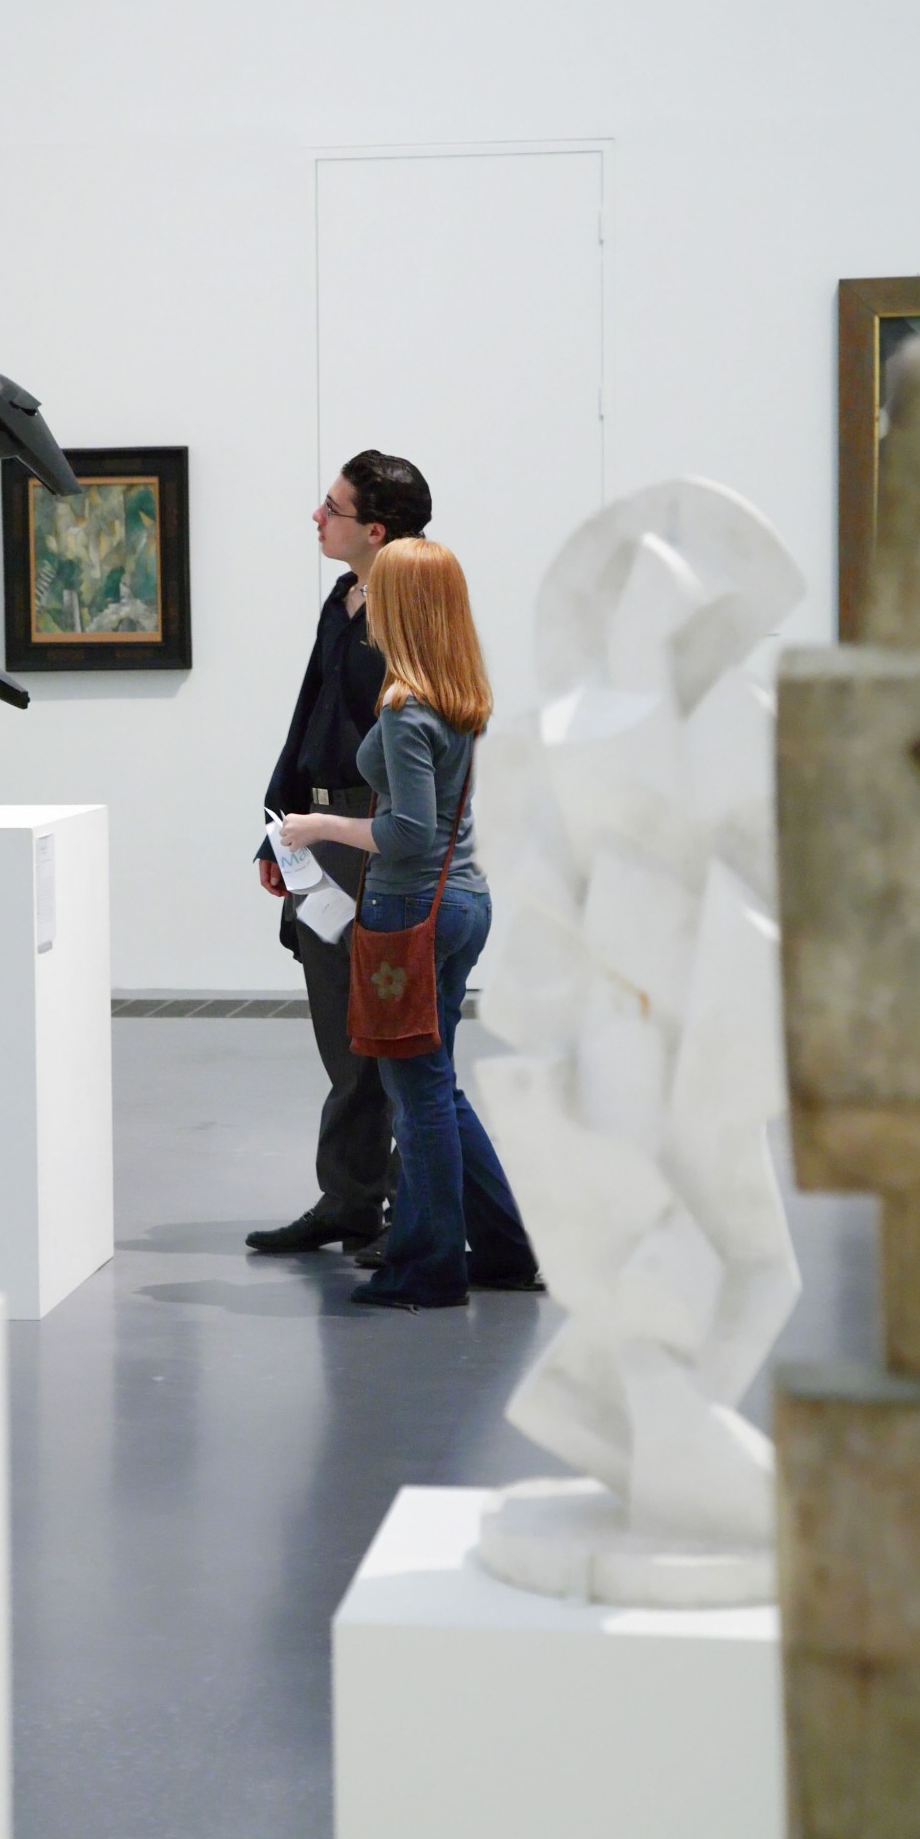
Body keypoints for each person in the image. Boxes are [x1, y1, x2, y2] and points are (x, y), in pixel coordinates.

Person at [279, 536, 543, 1309]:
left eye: (379, 593)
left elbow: (406, 833)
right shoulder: (458, 696)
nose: (365, 606)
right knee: (435, 1086)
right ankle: (503, 1248)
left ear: (402, 607)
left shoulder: (402, 708)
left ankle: (428, 1268)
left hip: (407, 909)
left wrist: (316, 829)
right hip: (460, 902)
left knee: (416, 1092)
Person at [246, 452, 433, 1264]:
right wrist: (274, 821)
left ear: (375, 529)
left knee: (387, 1035)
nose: (316, 518)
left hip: (374, 833)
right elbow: (310, 709)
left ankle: (410, 1208)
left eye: (331, 507)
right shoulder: (341, 597)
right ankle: (351, 1200)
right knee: (340, 1031)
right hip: (317, 826)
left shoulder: (409, 608)